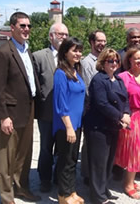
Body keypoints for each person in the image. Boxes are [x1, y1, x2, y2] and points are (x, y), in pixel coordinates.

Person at [0, 12, 41, 204]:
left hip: (28, 110)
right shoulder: (3, 53)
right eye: (22, 26)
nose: (26, 29)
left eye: (28, 26)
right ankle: (6, 196)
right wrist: (3, 116)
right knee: (6, 157)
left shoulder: (26, 50)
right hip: (10, 113)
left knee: (24, 154)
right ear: (12, 28)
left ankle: (21, 188)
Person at [84, 48, 131, 204]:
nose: (114, 63)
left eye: (116, 60)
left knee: (108, 161)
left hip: (113, 126)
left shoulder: (118, 80)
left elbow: (125, 100)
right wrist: (120, 116)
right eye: (110, 61)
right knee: (98, 163)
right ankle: (98, 198)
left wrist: (127, 114)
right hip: (99, 127)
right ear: (103, 63)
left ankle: (103, 189)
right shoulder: (99, 80)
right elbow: (101, 103)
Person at [114, 46, 140, 200]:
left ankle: (132, 179)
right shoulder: (123, 77)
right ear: (129, 60)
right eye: (136, 58)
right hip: (131, 116)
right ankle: (127, 184)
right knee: (132, 151)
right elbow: (118, 100)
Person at [33, 22, 69, 192]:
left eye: (66, 34)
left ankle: (58, 178)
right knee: (46, 148)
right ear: (51, 36)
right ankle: (45, 179)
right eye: (60, 34)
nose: (63, 37)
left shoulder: (72, 57)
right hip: (47, 113)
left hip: (65, 115)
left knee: (62, 149)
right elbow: (34, 84)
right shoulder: (39, 56)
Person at [53, 37, 85, 204]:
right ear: (65, 52)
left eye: (80, 50)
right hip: (66, 126)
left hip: (77, 124)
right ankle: (63, 196)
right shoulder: (60, 73)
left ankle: (72, 192)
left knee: (72, 160)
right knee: (65, 161)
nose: (78, 53)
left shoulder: (75, 71)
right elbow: (61, 104)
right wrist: (69, 127)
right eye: (74, 50)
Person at [80, 30, 107, 185]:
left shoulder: (107, 61)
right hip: (91, 108)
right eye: (98, 41)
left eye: (104, 41)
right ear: (91, 42)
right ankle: (87, 174)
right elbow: (87, 87)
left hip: (104, 109)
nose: (102, 44)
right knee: (89, 143)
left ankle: (99, 173)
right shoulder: (86, 63)